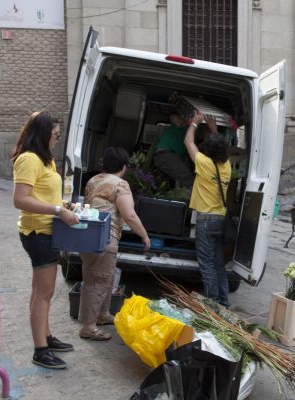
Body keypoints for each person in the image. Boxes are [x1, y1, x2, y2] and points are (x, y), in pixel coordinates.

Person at [12, 111, 80, 369]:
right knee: (44, 292)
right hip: (37, 233)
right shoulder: (29, 159)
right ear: (42, 134)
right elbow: (20, 199)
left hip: (48, 230)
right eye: (54, 135)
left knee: (41, 291)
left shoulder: (46, 160)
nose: (56, 139)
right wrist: (57, 211)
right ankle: (40, 350)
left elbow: (45, 195)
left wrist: (65, 204)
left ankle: (46, 336)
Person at [78, 147, 150, 341]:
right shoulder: (120, 184)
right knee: (98, 281)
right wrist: (144, 236)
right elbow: (130, 215)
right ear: (124, 166)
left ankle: (102, 315)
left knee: (100, 278)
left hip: (87, 236)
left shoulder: (94, 180)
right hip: (105, 237)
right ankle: (88, 327)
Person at [184, 110, 232, 307]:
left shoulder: (204, 163)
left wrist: (195, 123)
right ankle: (223, 302)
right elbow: (217, 147)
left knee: (207, 265)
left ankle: (212, 305)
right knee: (218, 263)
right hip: (220, 218)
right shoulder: (226, 165)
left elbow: (188, 142)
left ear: (207, 150)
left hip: (205, 220)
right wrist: (214, 129)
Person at [152, 112, 193, 188]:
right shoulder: (182, 121)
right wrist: (192, 122)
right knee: (188, 178)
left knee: (168, 186)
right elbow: (175, 119)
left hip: (171, 157)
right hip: (165, 154)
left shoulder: (195, 132)